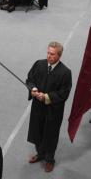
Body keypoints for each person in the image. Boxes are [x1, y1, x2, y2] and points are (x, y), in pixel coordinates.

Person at [26, 41, 72, 173]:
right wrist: (33, 89)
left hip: (53, 110)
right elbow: (30, 79)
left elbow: (64, 93)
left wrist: (46, 97)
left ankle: (50, 159)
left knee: (51, 134)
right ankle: (40, 153)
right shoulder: (39, 64)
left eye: (52, 54)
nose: (49, 56)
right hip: (38, 107)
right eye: (48, 53)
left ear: (59, 56)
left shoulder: (65, 72)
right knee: (37, 130)